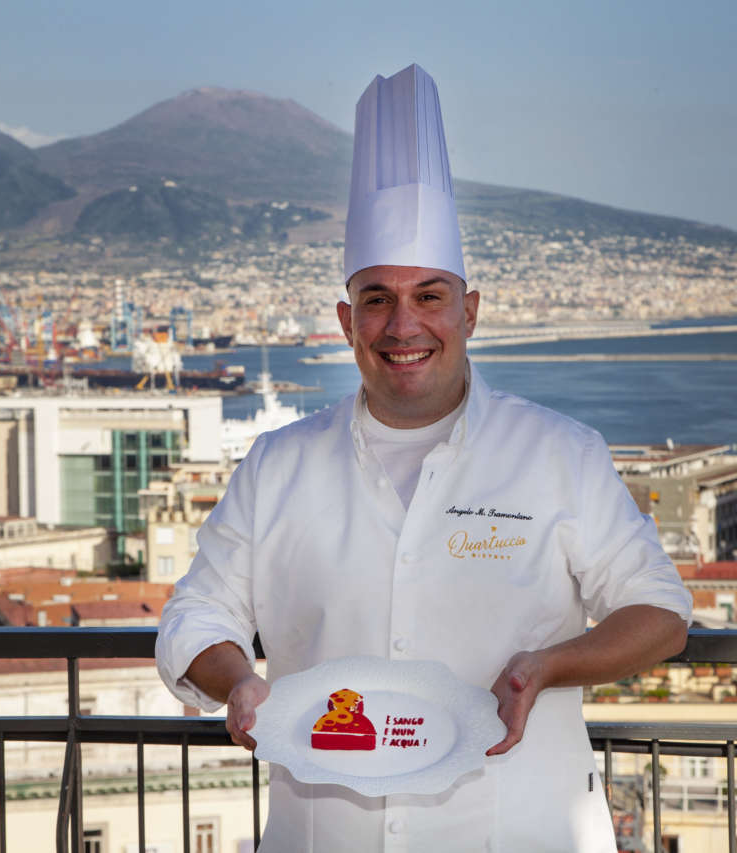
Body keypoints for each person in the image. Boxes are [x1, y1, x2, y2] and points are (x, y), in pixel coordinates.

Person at [156, 64, 692, 851]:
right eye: (377, 298)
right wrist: (237, 681)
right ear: (347, 319)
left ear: (469, 311)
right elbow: (195, 616)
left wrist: (546, 665)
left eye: (430, 295)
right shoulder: (277, 466)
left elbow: (660, 615)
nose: (403, 324)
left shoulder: (559, 455)